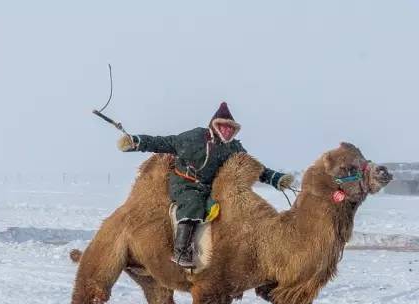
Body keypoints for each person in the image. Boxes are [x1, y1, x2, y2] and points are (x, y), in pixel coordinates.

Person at [118, 102, 294, 268]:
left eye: (230, 128)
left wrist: (275, 179)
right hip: (185, 183)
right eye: (223, 126)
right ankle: (181, 252)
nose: (227, 131)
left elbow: (250, 165)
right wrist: (136, 141)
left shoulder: (233, 147)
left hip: (210, 187)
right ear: (214, 125)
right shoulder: (193, 138)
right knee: (193, 204)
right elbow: (164, 142)